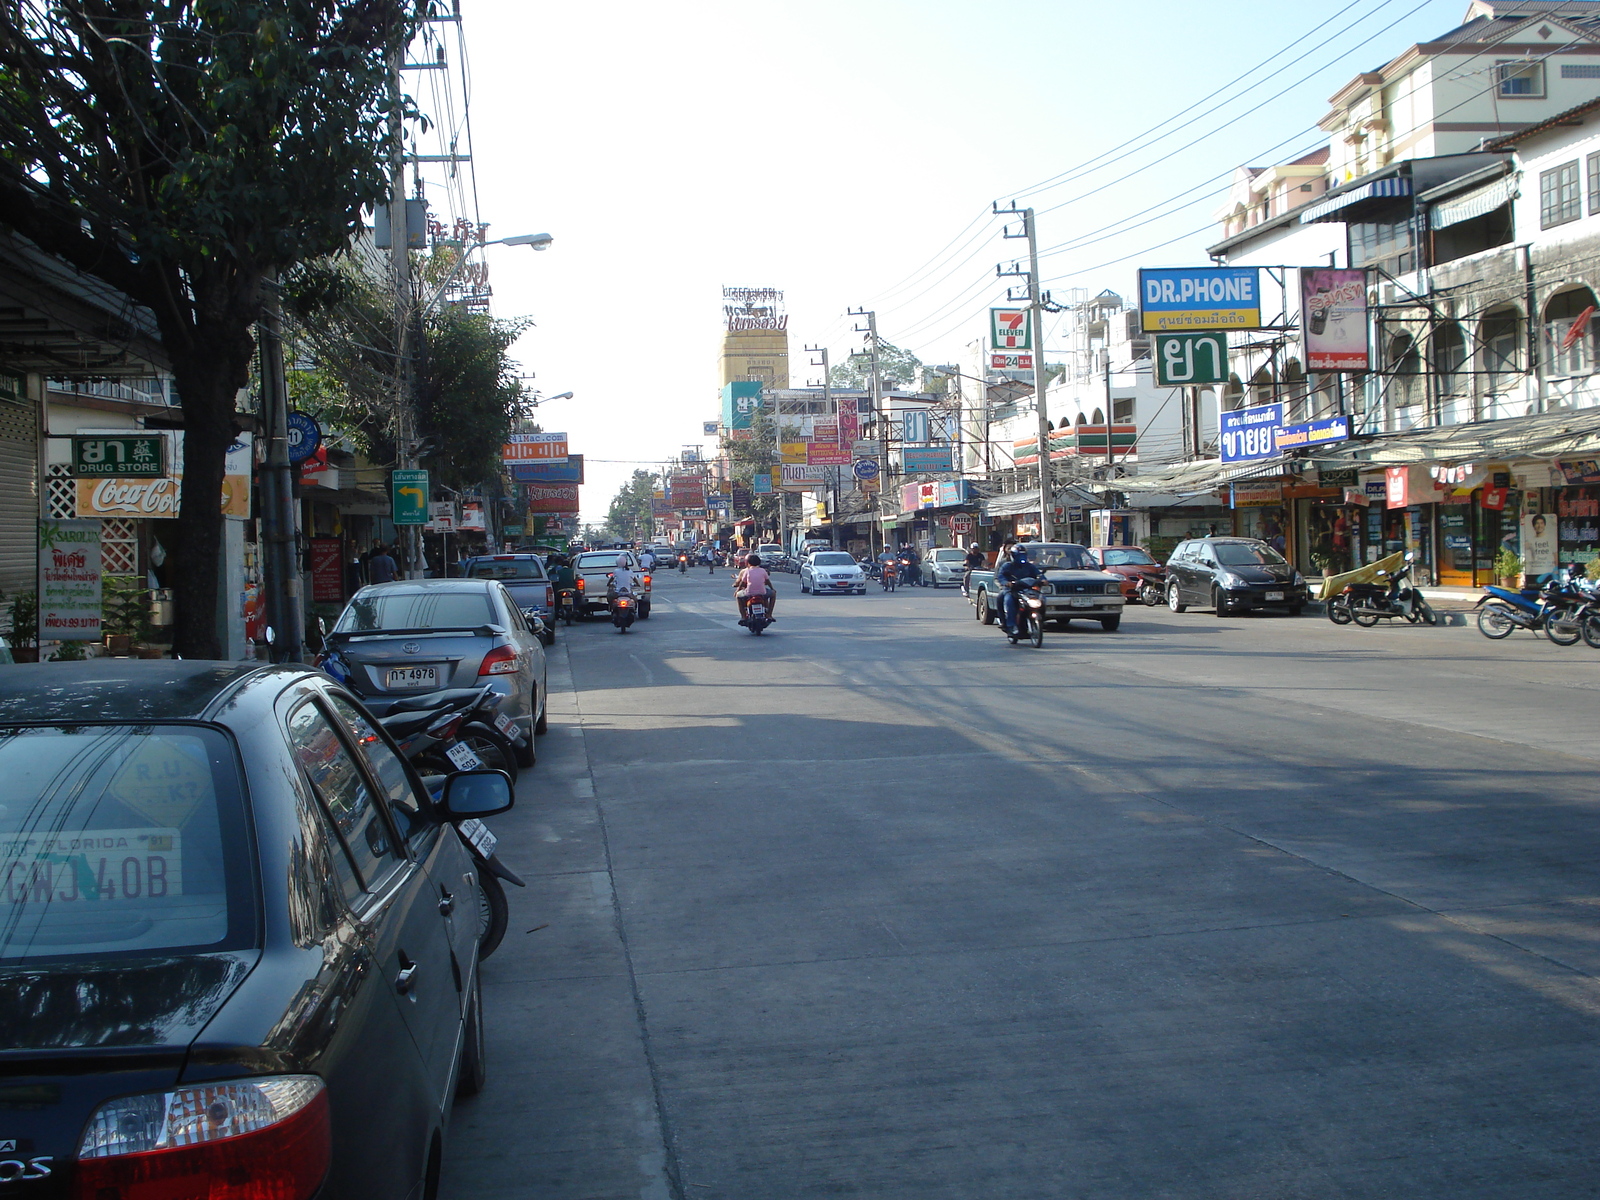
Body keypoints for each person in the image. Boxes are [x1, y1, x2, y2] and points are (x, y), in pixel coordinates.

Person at [997, 545, 1042, 634]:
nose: (1021, 558)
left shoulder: (1030, 566)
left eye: (1023, 555)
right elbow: (1001, 576)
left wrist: (1043, 580)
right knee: (1008, 600)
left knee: (1041, 599)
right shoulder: (1007, 566)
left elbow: (1039, 574)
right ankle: (1010, 625)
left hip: (1027, 590)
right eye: (1018, 556)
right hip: (1012, 590)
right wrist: (1006, 582)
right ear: (1013, 556)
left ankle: (1039, 619)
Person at [734, 553, 777, 623]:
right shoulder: (763, 570)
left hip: (749, 593)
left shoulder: (747, 571)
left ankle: (743, 617)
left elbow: (742, 582)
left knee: (738, 596)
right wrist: (772, 589)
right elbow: (768, 581)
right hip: (762, 592)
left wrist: (737, 591)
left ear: (748, 563)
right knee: (773, 594)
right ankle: (769, 614)